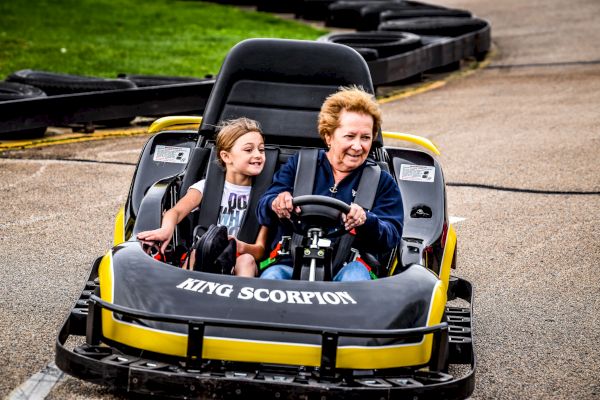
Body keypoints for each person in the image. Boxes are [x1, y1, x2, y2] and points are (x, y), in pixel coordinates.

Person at [257, 86, 404, 281]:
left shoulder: (381, 181)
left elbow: (392, 236)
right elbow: (263, 210)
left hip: (351, 266)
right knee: (271, 278)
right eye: (350, 136)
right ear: (329, 136)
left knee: (355, 280)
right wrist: (275, 202)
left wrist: (366, 220)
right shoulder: (300, 165)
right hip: (292, 262)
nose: (358, 146)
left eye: (366, 138)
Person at [137, 117, 269, 277]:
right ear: (227, 157)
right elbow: (176, 212)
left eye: (261, 150)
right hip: (205, 256)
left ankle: (238, 302)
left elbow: (261, 250)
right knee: (196, 252)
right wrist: (166, 229)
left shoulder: (266, 196)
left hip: (240, 261)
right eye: (249, 150)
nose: (258, 155)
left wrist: (239, 246)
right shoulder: (206, 187)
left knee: (246, 260)